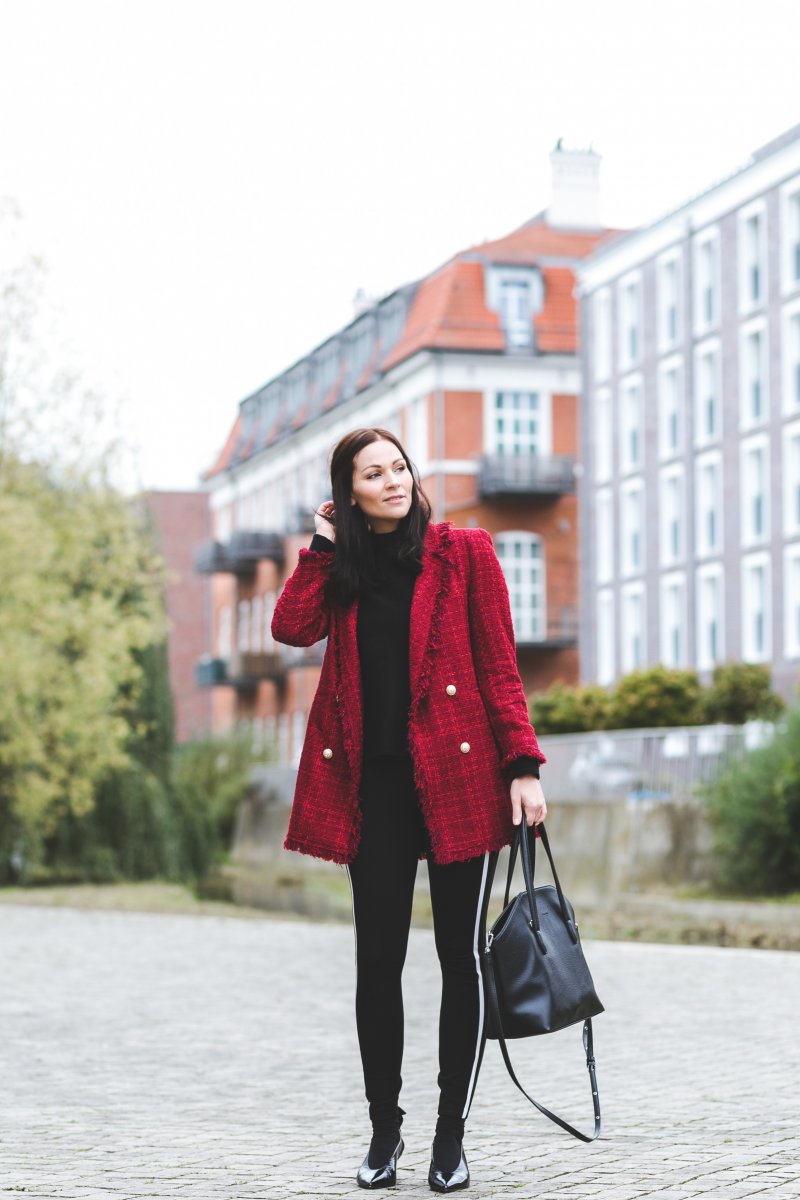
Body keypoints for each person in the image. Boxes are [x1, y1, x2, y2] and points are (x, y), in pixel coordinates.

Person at [271, 427, 547, 1193]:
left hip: (460, 782)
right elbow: (290, 628)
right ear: (349, 490)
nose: (393, 481)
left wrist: (523, 765)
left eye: (399, 467)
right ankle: (383, 1131)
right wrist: (323, 545)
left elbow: (500, 666)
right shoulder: (345, 568)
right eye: (373, 473)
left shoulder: (466, 553)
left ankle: (449, 1139)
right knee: (377, 964)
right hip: (376, 789)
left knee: (458, 960)